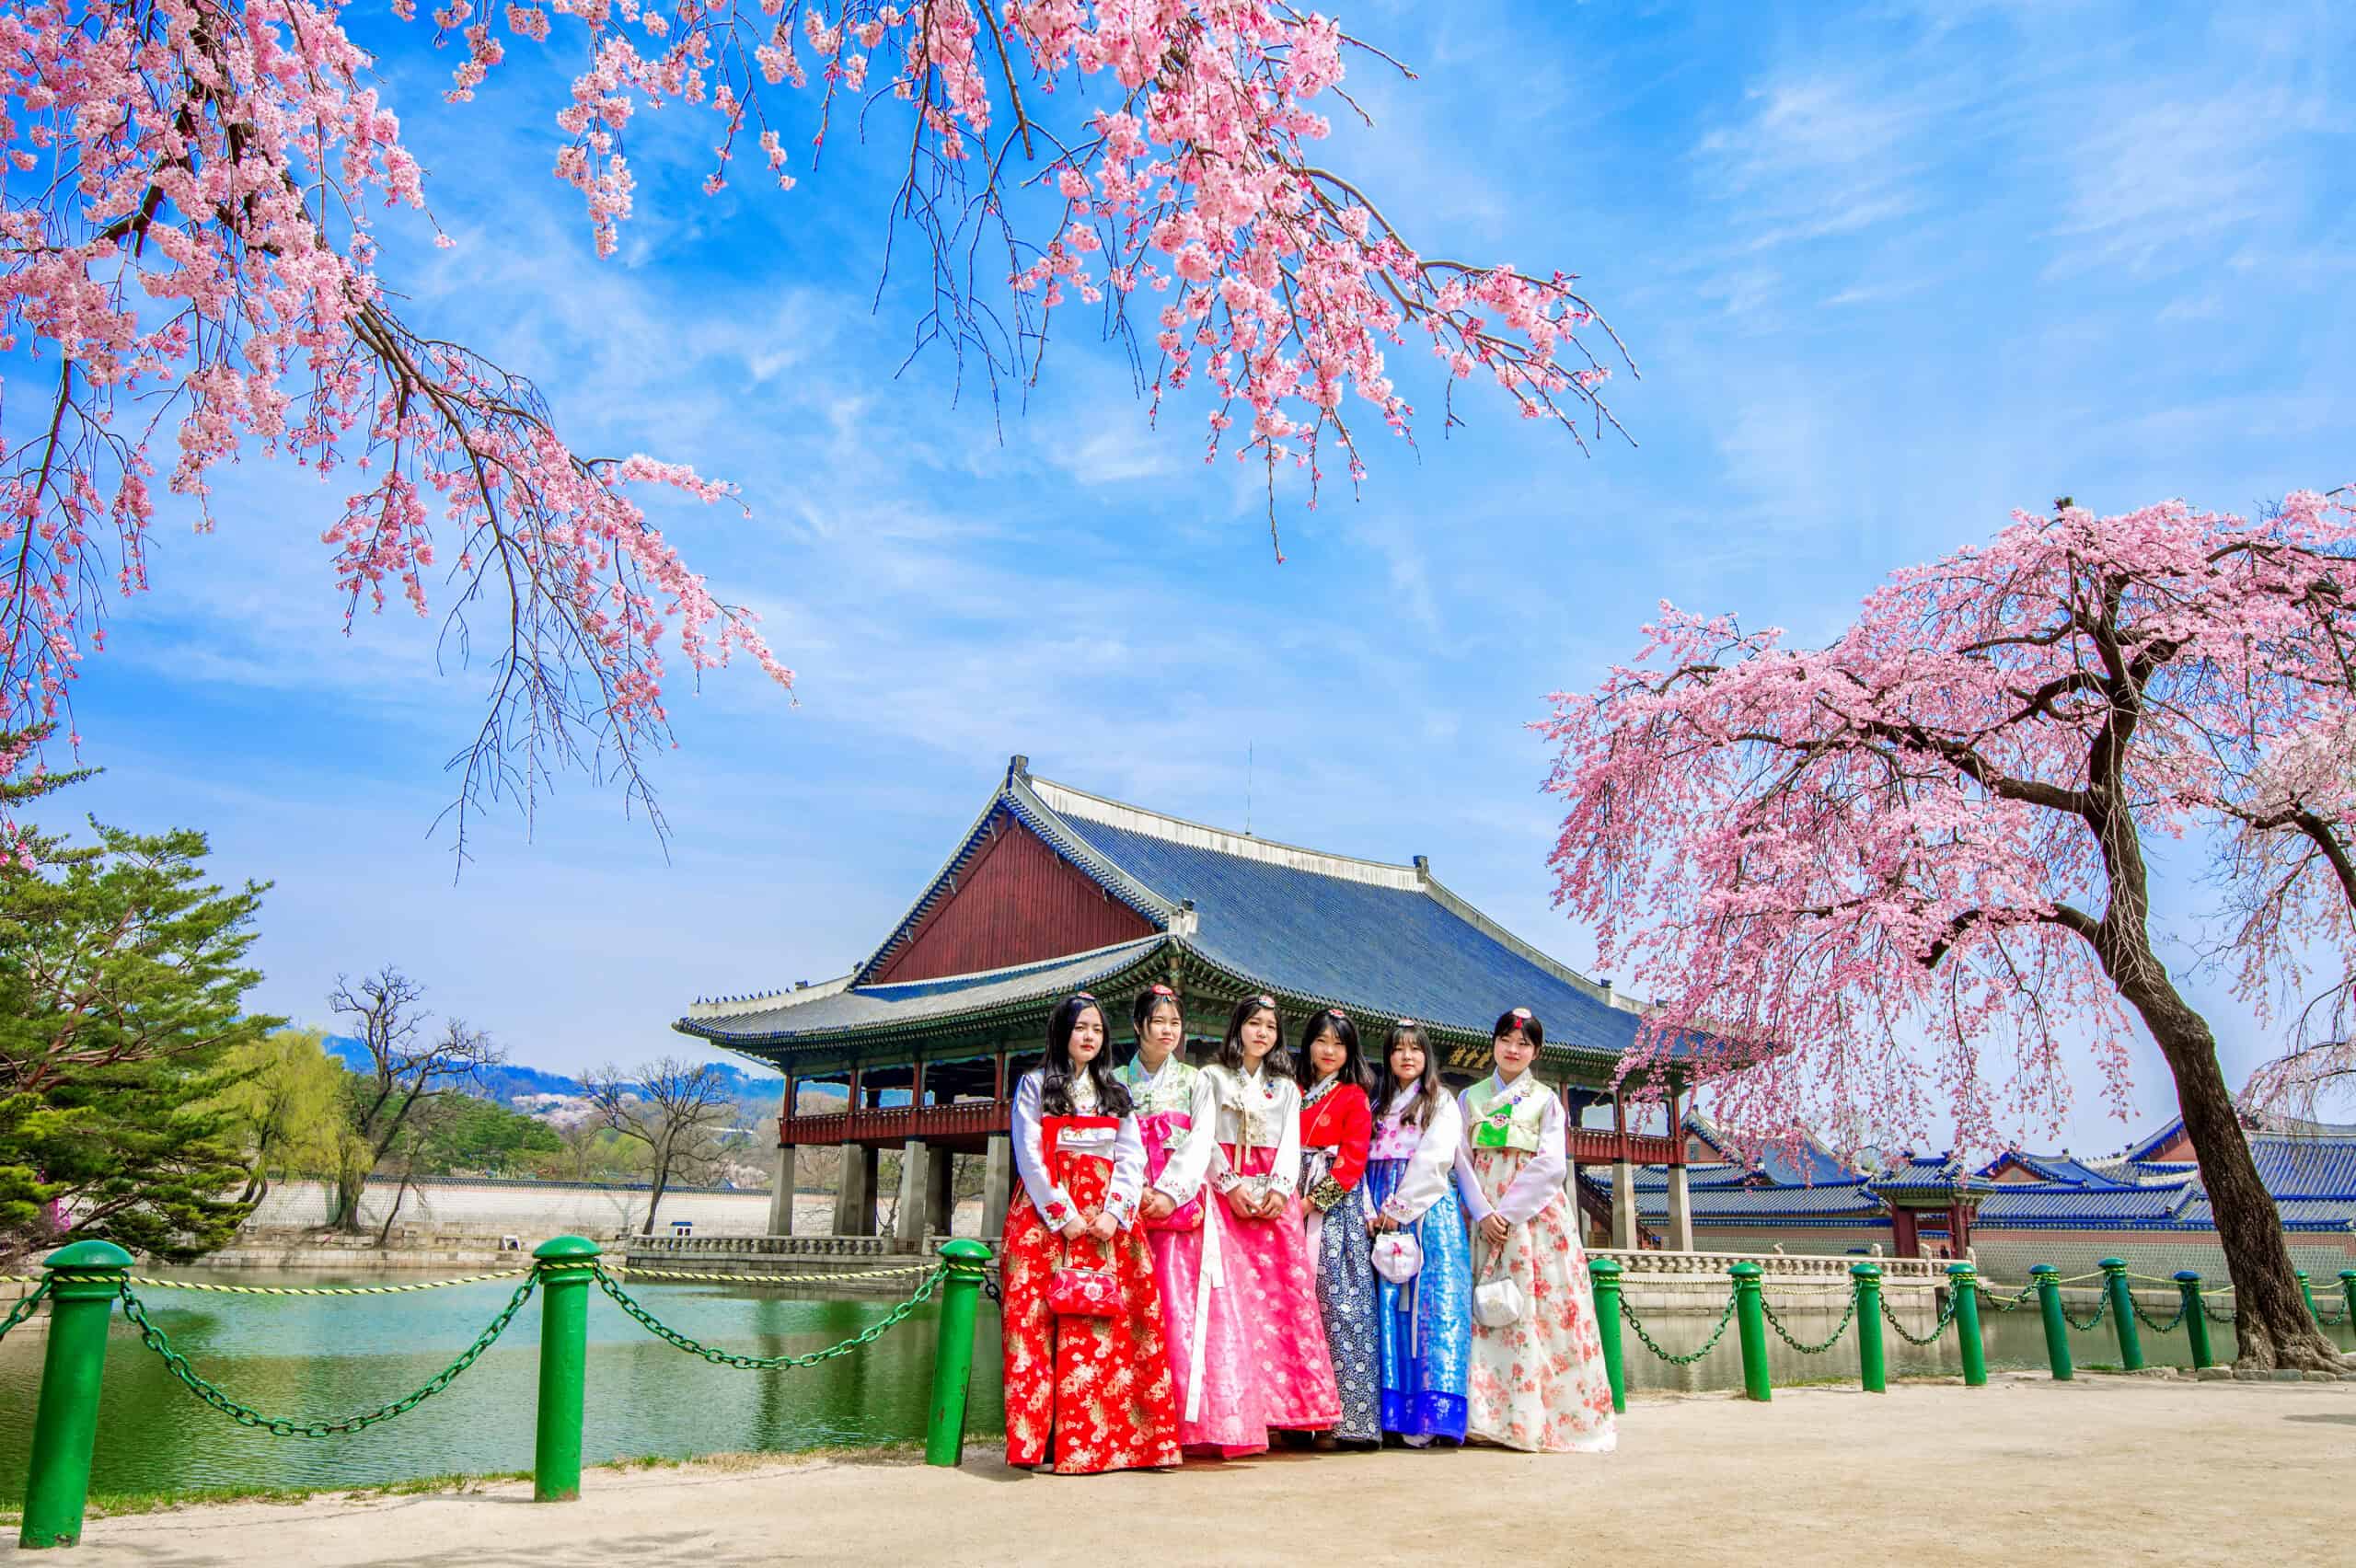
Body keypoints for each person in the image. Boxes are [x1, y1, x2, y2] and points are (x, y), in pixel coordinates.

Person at [1001, 992, 1182, 1473]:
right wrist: (1063, 1215)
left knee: (1112, 1330)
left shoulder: (1116, 1094)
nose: (1088, 1037)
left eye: (1097, 1030)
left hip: (1108, 1222)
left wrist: (1114, 1213)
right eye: (1080, 1028)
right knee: (1037, 1327)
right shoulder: (1035, 1086)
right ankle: (1039, 1445)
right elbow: (1029, 1156)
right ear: (1061, 1032)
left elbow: (1131, 1158)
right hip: (1046, 1218)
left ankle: (1116, 1445)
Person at [1454, 1006, 1616, 1453]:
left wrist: (1506, 1212)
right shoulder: (1470, 1099)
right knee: (1481, 1312)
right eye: (1506, 1040)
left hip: (1532, 1220)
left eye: (1523, 1043)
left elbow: (1550, 1165)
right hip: (1482, 1213)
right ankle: (1484, 1420)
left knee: (1539, 1311)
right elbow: (1462, 1161)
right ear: (1493, 1044)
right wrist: (1483, 1211)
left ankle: (1539, 1419)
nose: (1513, 1049)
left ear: (1536, 1052)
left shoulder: (1547, 1101)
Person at [1197, 994, 1342, 1451]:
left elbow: (1290, 1146)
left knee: (1284, 1302)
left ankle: (1293, 1412)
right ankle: (1229, 1417)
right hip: (1227, 1199)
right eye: (1254, 1023)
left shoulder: (1285, 1088)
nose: (1262, 1033)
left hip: (1275, 1202)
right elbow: (1203, 1137)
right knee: (1230, 1303)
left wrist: (1281, 1190)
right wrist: (1230, 1185)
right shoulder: (1211, 1078)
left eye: (1271, 1027)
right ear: (1237, 1026)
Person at [1113, 983, 1247, 1445]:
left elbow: (1200, 1141)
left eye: (1175, 1022)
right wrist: (1134, 1191)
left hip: (1180, 1205)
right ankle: (1127, 1419)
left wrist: (1169, 1191)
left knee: (1182, 1309)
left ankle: (1184, 1424)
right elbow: (1114, 1146)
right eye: (1159, 1022)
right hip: (1128, 1204)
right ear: (1137, 1026)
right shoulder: (1114, 1081)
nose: (1168, 1031)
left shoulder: (1196, 1080)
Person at [1365, 1019, 1472, 1447]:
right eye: (1397, 1049)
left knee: (1432, 1306)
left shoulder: (1440, 1101)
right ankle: (1392, 1414)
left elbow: (1435, 1158)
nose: (1407, 1057)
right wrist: (1372, 1211)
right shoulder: (1376, 1103)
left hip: (1427, 1211)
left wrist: (1399, 1209)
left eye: (1415, 1050)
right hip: (1378, 1200)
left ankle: (1432, 1415)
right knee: (1385, 1309)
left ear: (1427, 1057)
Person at [1297, 1007, 1379, 1447]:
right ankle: (1296, 1415)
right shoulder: (1292, 1090)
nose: (1329, 1051)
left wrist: (1312, 1201)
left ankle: (1347, 1419)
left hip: (1334, 1211)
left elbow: (1352, 1162)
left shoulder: (1353, 1097)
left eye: (1339, 1043)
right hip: (1287, 1194)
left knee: (1338, 1303)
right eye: (1322, 1040)